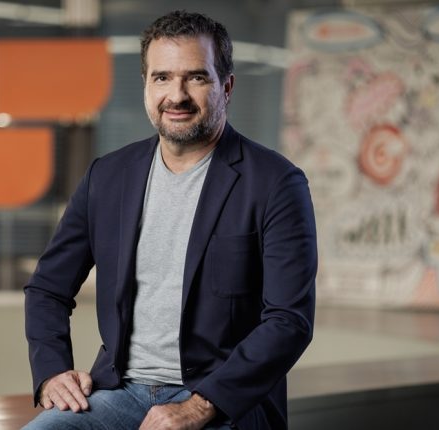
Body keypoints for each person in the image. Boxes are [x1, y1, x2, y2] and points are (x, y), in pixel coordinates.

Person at [23, 10, 316, 430]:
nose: (176, 95)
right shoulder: (107, 176)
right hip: (118, 392)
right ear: (146, 84)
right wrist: (53, 371)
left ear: (226, 86)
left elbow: (289, 321)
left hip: (222, 402)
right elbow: (47, 288)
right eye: (162, 77)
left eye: (196, 77)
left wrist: (200, 407)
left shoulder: (276, 183)